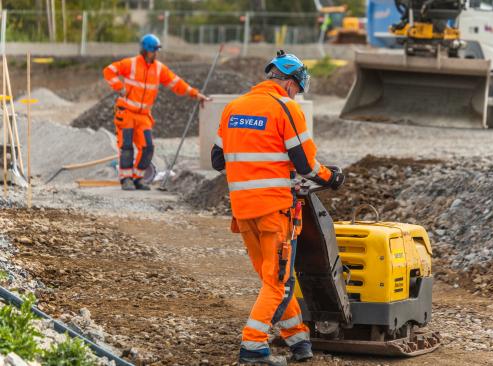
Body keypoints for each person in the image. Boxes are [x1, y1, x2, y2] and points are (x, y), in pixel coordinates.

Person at [211, 50, 345, 366]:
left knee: (273, 280)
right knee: (278, 283)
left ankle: (298, 341)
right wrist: (332, 176)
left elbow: (218, 160)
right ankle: (253, 347)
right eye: (298, 87)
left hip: (243, 212)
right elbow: (306, 165)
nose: (297, 94)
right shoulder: (285, 108)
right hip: (275, 211)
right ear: (288, 82)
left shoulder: (234, 107)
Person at [103, 34, 210, 191]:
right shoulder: (130, 64)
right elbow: (109, 71)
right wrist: (119, 87)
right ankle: (125, 179)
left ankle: (137, 178)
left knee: (148, 148)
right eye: (154, 50)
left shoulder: (159, 69)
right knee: (126, 147)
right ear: (145, 50)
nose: (156, 53)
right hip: (126, 114)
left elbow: (176, 83)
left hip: (144, 116)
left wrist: (195, 93)